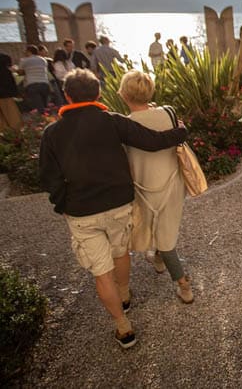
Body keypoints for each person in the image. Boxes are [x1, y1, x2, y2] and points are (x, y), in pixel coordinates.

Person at [39, 68, 187, 348]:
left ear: (67, 95)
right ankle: (125, 294)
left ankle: (123, 327)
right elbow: (153, 141)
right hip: (119, 205)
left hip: (82, 213)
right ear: (98, 94)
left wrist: (64, 205)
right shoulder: (112, 121)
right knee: (120, 253)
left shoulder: (52, 133)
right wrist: (181, 132)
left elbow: (48, 178)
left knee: (100, 271)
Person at [117, 70, 194, 304]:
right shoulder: (168, 112)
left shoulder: (124, 125)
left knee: (165, 238)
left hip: (144, 188)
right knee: (165, 226)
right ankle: (159, 258)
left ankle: (184, 285)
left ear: (124, 95)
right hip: (174, 183)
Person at [17, 44, 51, 112]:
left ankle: (42, 119)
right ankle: (48, 118)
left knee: (39, 106)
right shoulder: (43, 60)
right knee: (44, 105)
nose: (25, 53)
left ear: (29, 51)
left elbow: (20, 73)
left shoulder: (24, 60)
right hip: (45, 84)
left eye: (26, 51)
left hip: (32, 84)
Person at [0, 51, 21, 130]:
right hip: (6, 94)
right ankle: (16, 132)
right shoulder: (6, 69)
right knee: (12, 115)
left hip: (4, 93)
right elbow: (11, 81)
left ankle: (4, 133)